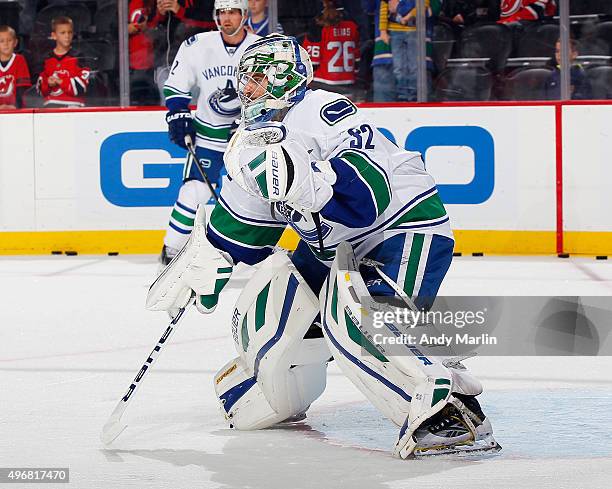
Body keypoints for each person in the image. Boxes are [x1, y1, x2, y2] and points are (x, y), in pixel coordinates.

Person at [147, 33, 500, 459]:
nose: (245, 91)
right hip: (331, 246)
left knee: (353, 317)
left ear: (282, 79)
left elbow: (370, 194)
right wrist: (207, 257)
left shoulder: (321, 110)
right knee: (274, 296)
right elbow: (244, 225)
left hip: (402, 231)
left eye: (255, 80)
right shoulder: (250, 140)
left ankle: (445, 411)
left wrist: (316, 182)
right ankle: (270, 389)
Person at [159, 0, 259, 264]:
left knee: (253, 197)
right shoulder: (198, 45)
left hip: (249, 139)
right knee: (195, 192)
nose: (227, 18)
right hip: (207, 137)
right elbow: (177, 85)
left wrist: (252, 119)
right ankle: (172, 250)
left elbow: (273, 93)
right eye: (222, 12)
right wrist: (178, 112)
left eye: (233, 12)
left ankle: (248, 250)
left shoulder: (261, 49)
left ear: (244, 14)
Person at [302, 0, 360, 98]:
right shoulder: (353, 23)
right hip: (348, 85)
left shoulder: (318, 25)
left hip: (323, 86)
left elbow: (311, 63)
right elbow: (357, 60)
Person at [36, 17, 90, 108]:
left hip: (74, 105)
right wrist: (48, 83)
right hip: (51, 105)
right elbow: (40, 90)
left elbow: (81, 87)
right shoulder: (46, 59)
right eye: (63, 33)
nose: (67, 36)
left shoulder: (79, 57)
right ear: (54, 35)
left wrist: (60, 81)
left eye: (70, 32)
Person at [0, 25, 31, 110]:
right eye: (1, 41)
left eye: (9, 40)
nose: (6, 44)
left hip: (15, 109)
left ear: (15, 42)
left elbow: (22, 89)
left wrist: (16, 107)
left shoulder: (19, 60)